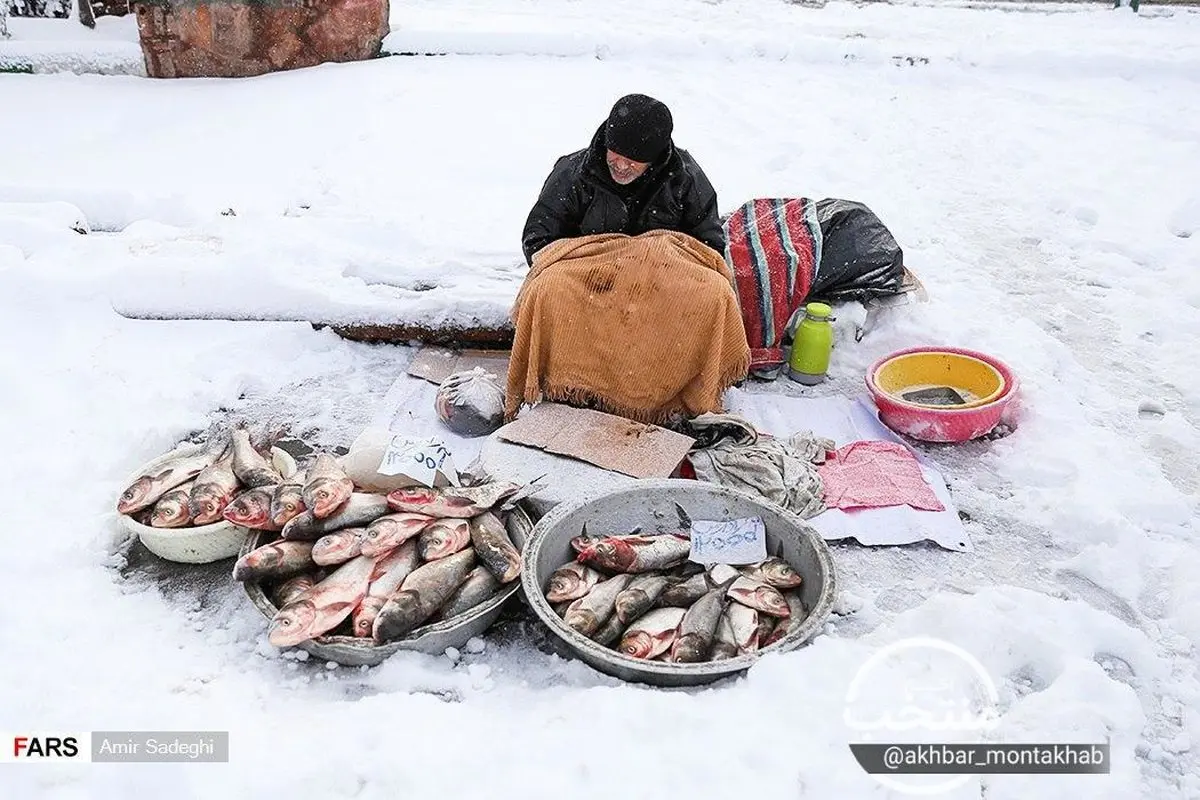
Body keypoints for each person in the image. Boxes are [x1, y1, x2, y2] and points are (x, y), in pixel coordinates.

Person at [521, 93, 726, 266]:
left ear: (653, 159)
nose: (620, 166)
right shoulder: (573, 173)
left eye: (632, 161)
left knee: (714, 291)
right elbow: (537, 239)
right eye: (615, 154)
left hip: (660, 284)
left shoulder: (685, 178)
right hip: (587, 282)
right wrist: (589, 265)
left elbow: (710, 249)